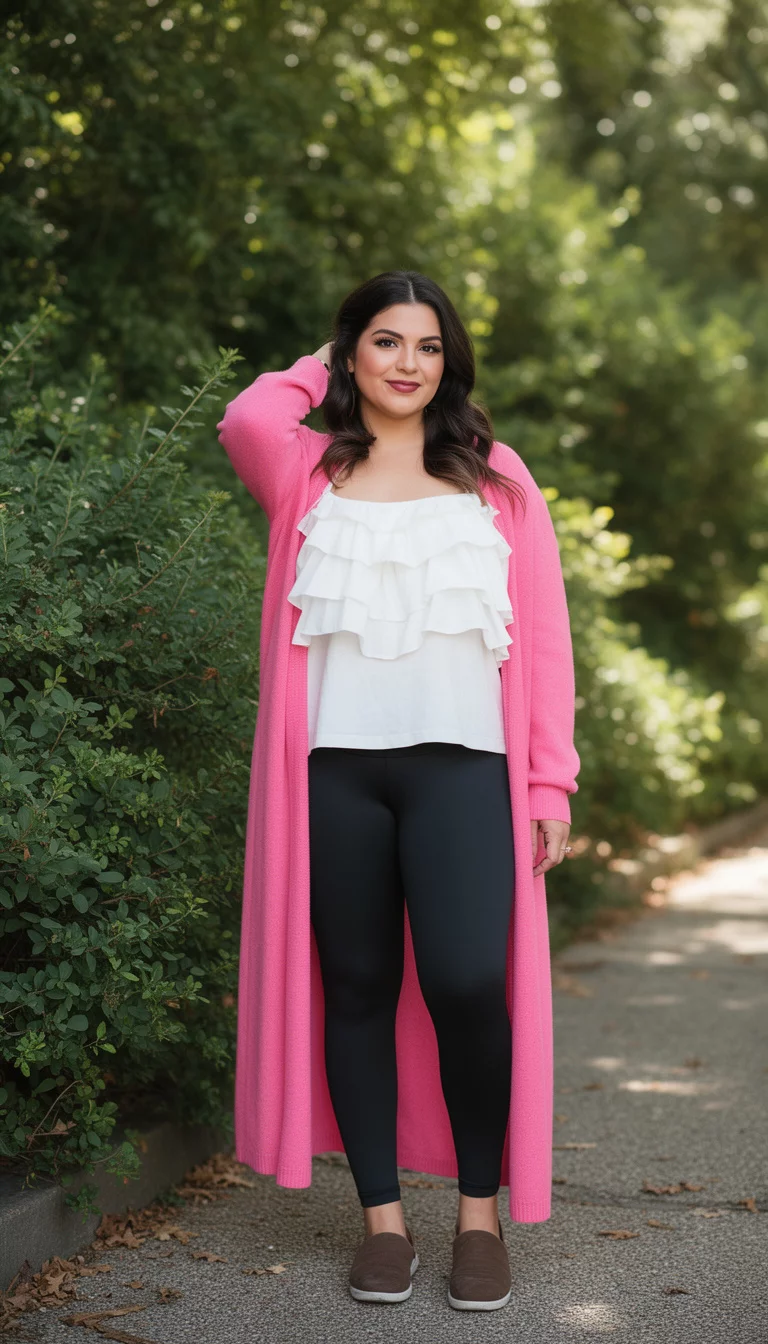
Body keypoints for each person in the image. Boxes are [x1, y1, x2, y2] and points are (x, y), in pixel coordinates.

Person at [217, 269, 580, 1311]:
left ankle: (478, 1214)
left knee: (470, 982)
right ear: (352, 355)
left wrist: (549, 781)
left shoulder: (497, 478)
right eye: (385, 342)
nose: (408, 364)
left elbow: (547, 642)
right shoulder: (308, 469)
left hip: (466, 768)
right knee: (358, 987)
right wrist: (316, 364)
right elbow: (248, 413)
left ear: (449, 361)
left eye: (427, 346)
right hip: (334, 772)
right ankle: (381, 1221)